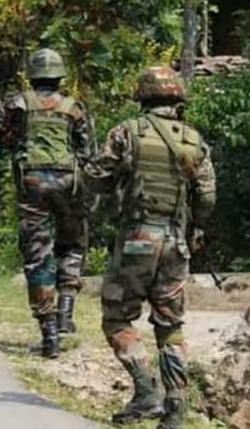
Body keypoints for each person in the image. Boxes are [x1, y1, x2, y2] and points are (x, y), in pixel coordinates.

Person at [83, 66, 215, 429]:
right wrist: (197, 227)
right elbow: (207, 194)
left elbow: (96, 178)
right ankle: (175, 411)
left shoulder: (127, 132)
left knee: (116, 315)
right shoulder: (194, 139)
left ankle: (145, 391)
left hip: (138, 239)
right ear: (177, 98)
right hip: (176, 243)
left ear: (143, 95)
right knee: (170, 325)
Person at [0, 48, 94, 358]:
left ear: (33, 74)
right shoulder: (73, 107)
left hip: (32, 183)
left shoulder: (18, 102)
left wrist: (8, 136)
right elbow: (87, 151)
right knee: (72, 244)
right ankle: (66, 312)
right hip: (69, 182)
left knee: (38, 253)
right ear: (58, 76)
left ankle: (49, 331)